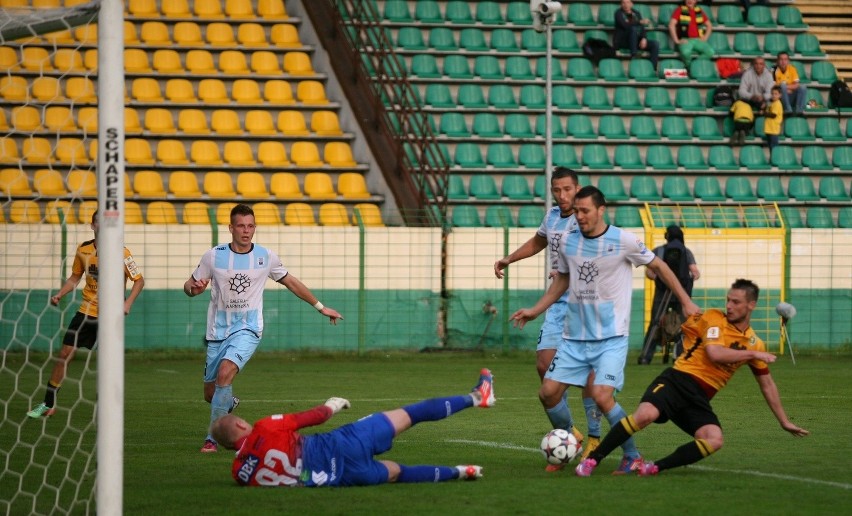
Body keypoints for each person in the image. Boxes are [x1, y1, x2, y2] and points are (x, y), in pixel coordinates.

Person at [510, 186, 701, 474]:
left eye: (585, 210)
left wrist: (685, 301)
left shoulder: (624, 240)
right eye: (576, 211)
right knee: (548, 392)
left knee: (601, 396)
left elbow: (660, 266)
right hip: (574, 338)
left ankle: (632, 455)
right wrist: (536, 310)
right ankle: (570, 442)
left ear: (601, 210)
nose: (579, 216)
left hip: (610, 338)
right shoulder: (568, 243)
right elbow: (562, 279)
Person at [576, 279, 809, 477]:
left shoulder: (754, 342)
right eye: (728, 299)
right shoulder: (715, 319)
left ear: (751, 305)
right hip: (676, 381)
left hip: (698, 398)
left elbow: (767, 385)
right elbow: (714, 353)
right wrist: (752, 353)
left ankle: (653, 467)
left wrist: (783, 421)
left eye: (735, 302)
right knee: (645, 415)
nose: (729, 305)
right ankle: (592, 461)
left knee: (714, 439)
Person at [185, 203, 343, 453]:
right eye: (240, 226)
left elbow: (291, 281)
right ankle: (227, 403)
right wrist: (194, 289)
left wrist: (321, 307)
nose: (246, 231)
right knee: (211, 393)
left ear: (254, 228)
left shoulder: (266, 257)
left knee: (226, 373)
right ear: (231, 228)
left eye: (250, 226)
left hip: (248, 328)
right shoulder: (213, 256)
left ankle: (212, 439)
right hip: (217, 331)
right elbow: (190, 286)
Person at [210, 368, 495, 487]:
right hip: (344, 443)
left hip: (343, 475)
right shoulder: (262, 428)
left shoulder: (239, 474)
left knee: (397, 473)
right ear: (239, 423)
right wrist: (333, 405)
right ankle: (477, 397)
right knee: (411, 414)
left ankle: (460, 472)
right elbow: (315, 416)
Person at [493, 167, 603, 468]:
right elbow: (539, 242)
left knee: (590, 374)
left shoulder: (587, 219)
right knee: (544, 364)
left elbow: (599, 254)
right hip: (557, 301)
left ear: (577, 188)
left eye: (568, 189)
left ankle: (594, 437)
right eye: (557, 190)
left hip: (586, 303)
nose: (563, 195)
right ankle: (570, 435)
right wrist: (509, 258)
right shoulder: (553, 216)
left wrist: (573, 270)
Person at [27, 210, 145, 418]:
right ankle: (48, 404)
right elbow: (75, 277)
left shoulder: (123, 252)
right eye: (99, 222)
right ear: (93, 226)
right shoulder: (83, 250)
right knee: (64, 354)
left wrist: (127, 303)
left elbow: (139, 280)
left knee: (108, 362)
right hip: (86, 311)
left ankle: (109, 408)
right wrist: (59, 294)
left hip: (110, 317)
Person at [639, 225, 700, 365]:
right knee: (685, 324)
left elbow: (649, 272)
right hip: (681, 293)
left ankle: (646, 356)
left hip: (662, 292)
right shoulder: (686, 251)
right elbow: (695, 272)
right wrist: (686, 281)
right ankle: (683, 354)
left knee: (655, 322)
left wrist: (660, 279)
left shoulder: (658, 251)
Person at [614, 0, 659, 69]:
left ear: (632, 4)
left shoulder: (636, 13)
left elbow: (642, 28)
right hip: (624, 42)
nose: (625, 5)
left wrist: (644, 38)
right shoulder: (618, 13)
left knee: (655, 44)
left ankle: (652, 68)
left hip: (636, 41)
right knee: (633, 29)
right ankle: (634, 55)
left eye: (628, 2)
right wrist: (639, 22)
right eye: (623, 3)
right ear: (621, 4)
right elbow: (625, 25)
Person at [668, 0, 714, 66]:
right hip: (685, 39)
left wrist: (705, 37)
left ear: (696, 1)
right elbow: (671, 25)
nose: (690, 1)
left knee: (710, 52)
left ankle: (694, 66)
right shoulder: (679, 10)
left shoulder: (699, 10)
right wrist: (677, 41)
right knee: (686, 53)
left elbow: (709, 25)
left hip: (698, 39)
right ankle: (690, 68)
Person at [764, 85, 784, 153]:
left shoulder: (777, 104)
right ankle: (772, 160)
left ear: (780, 95)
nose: (773, 95)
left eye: (776, 94)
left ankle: (775, 160)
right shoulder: (771, 103)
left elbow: (773, 115)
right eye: (772, 93)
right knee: (770, 146)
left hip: (774, 129)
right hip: (769, 129)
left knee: (774, 147)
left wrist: (764, 113)